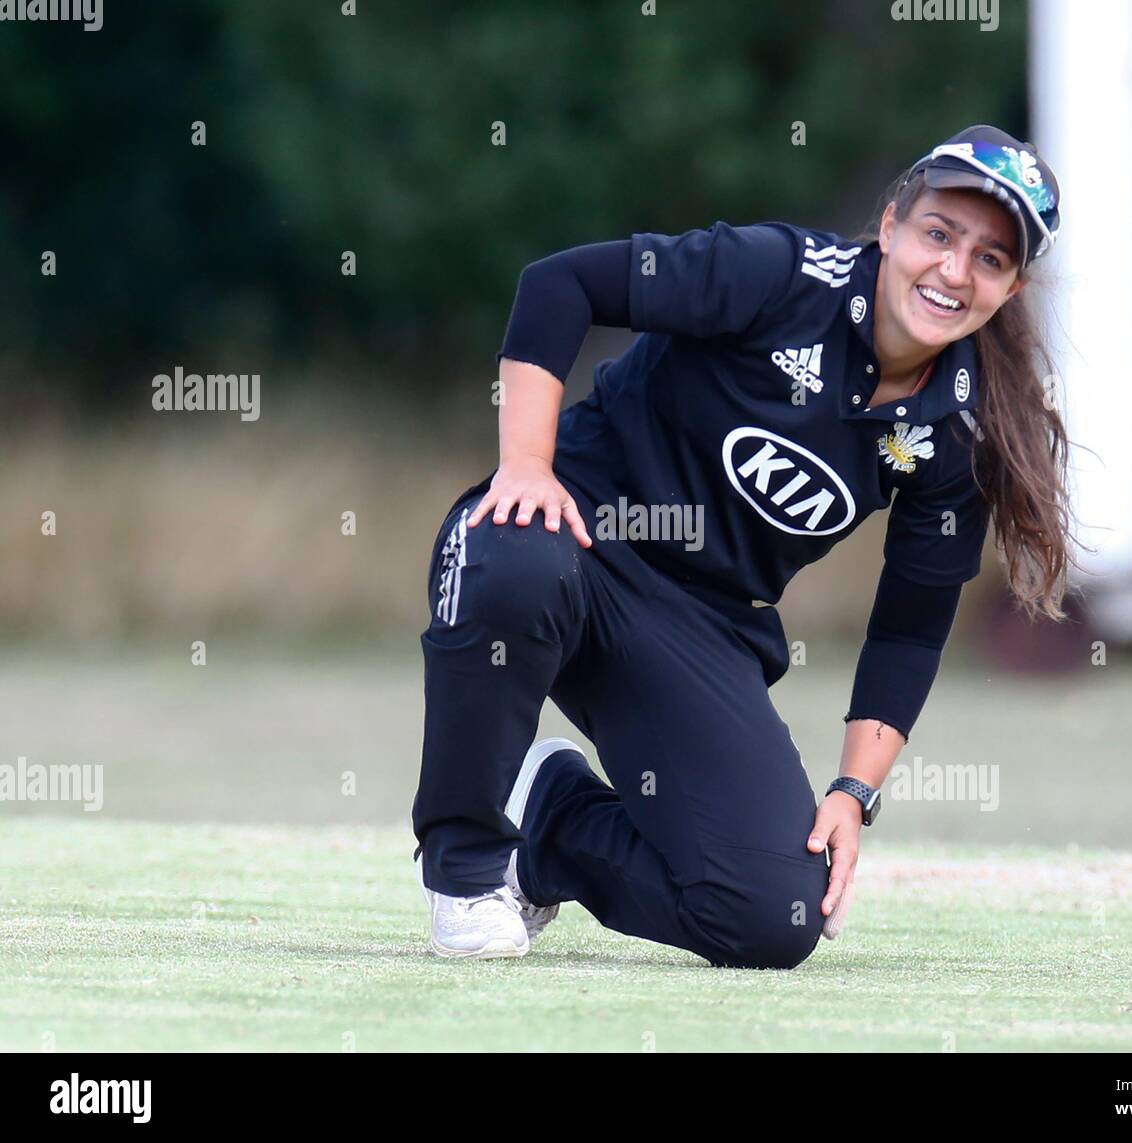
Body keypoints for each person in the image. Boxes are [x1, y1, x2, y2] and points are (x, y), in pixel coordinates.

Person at [412, 124, 1074, 967]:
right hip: (568, 537)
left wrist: (853, 791)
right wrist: (527, 466)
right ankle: (465, 866)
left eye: (989, 258)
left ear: (1012, 287)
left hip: (696, 627)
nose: (953, 270)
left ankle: (546, 822)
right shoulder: (778, 275)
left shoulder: (957, 430)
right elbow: (560, 284)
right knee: (514, 554)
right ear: (891, 222)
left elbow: (910, 626)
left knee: (771, 916)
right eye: (939, 234)